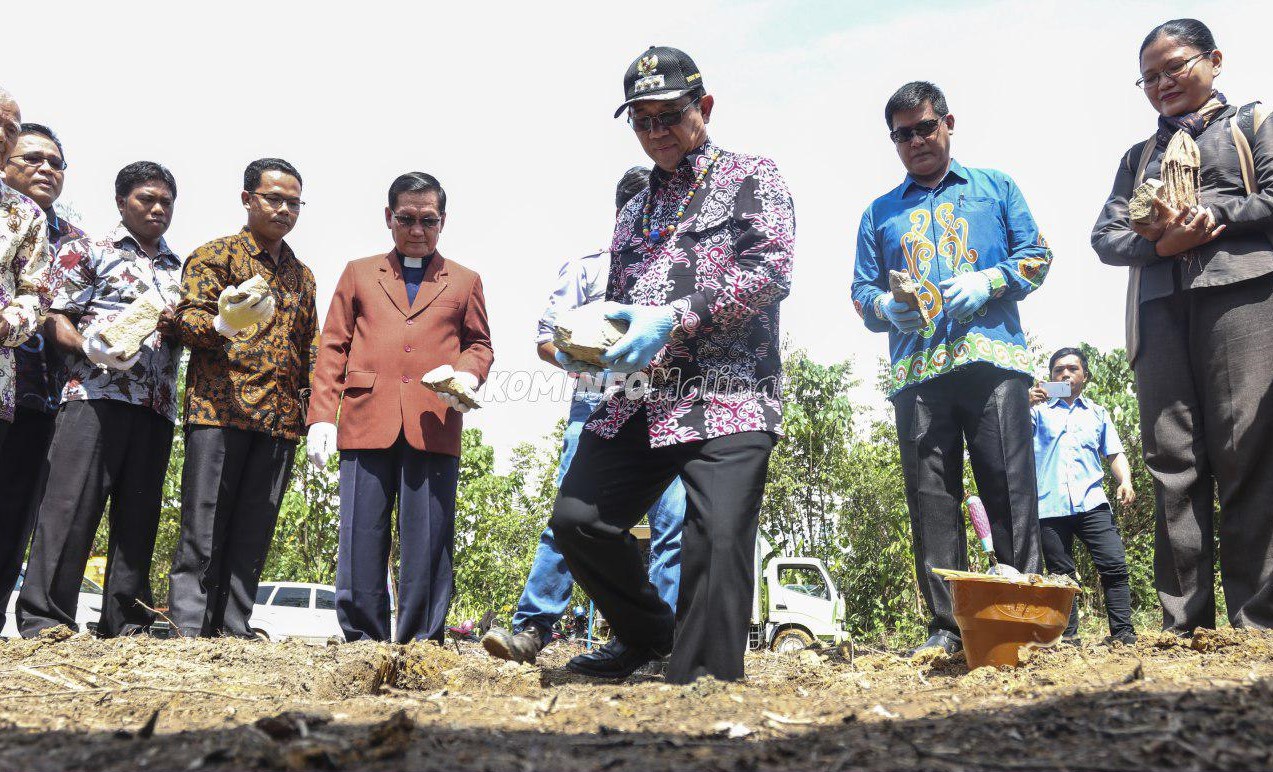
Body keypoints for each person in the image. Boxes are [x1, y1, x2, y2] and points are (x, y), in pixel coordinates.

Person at [549, 46, 795, 684]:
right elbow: (629, 304)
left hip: (730, 390)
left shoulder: (753, 177)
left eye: (668, 115)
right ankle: (648, 636)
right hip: (647, 392)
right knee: (579, 520)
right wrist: (602, 339)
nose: (655, 132)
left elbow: (769, 272)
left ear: (704, 108)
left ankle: (705, 682)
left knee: (715, 539)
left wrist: (676, 317)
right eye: (642, 120)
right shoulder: (634, 212)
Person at [850, 81, 1050, 656]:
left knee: (1010, 487)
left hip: (993, 357)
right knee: (931, 496)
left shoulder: (996, 187)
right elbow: (862, 292)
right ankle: (946, 627)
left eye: (925, 127)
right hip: (917, 371)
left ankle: (1026, 618)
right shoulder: (879, 213)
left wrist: (990, 279)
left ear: (949, 123)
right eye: (902, 134)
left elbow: (1037, 256)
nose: (916, 140)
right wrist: (885, 307)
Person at [1091, 19, 1273, 632]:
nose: (1163, 83)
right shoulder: (1137, 158)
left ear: (1214, 60)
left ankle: (1256, 619)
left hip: (1242, 297)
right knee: (1173, 461)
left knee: (1247, 448)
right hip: (1160, 309)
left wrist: (1214, 209)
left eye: (1175, 68)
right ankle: (1183, 625)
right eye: (1149, 78)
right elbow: (1106, 236)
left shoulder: (1254, 126)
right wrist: (1162, 245)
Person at [480, 167, 686, 665]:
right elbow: (546, 338)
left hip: (669, 406)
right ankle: (533, 627)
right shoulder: (588, 268)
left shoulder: (687, 271)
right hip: (598, 402)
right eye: (643, 210)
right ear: (624, 213)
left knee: (674, 524)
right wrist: (579, 354)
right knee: (570, 518)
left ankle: (651, 643)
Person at [306, 172, 493, 643]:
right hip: (367, 418)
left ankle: (421, 641)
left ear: (443, 221)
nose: (416, 229)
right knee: (360, 534)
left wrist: (468, 373)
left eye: (428, 220)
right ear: (388, 217)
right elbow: (333, 348)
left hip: (433, 420)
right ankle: (363, 639)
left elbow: (479, 344)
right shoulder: (358, 272)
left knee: (428, 538)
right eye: (406, 218)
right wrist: (322, 418)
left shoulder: (465, 280)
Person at [18, 162, 183, 637]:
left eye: (165, 202)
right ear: (121, 202)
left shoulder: (177, 267)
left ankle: (124, 619)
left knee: (138, 516)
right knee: (70, 508)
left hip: (154, 404)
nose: (157, 209)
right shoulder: (89, 249)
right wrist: (89, 346)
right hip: (93, 395)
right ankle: (45, 617)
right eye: (146, 199)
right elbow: (53, 316)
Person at [168, 158, 317, 638]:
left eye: (293, 202)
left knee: (254, 529)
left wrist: (317, 417)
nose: (284, 209)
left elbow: (309, 348)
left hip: (278, 419)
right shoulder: (215, 256)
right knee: (204, 524)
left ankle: (234, 628)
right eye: (274, 198)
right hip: (219, 410)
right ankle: (189, 625)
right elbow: (186, 322)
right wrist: (220, 324)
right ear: (247, 198)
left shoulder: (302, 275)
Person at [0, 123, 84, 634]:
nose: (46, 169)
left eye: (56, 163)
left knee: (13, 517)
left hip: (41, 400)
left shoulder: (76, 242)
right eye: (33, 158)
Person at [1029, 348, 1137, 645]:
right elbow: (1011, 438)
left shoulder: (1097, 413)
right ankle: (1068, 638)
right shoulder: (1036, 412)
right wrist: (1021, 402)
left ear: (1084, 376)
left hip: (1092, 503)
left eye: (1072, 369)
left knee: (1114, 565)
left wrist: (1125, 480)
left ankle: (1123, 634)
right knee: (1061, 576)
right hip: (1049, 505)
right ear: (1050, 377)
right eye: (1058, 370)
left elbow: (1114, 452)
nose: (1064, 374)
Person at [0, 87, 53, 451]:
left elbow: (36, 293)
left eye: (11, 129)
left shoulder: (26, 214)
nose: (3, 137)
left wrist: (8, 323)